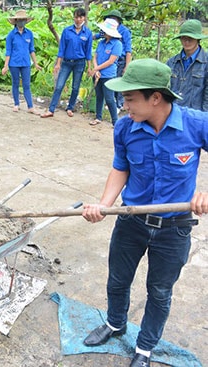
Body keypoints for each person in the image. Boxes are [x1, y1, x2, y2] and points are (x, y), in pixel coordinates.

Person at [81, 59, 208, 367]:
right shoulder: (125, 127)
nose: (124, 105)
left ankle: (146, 348)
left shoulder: (195, 124)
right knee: (118, 280)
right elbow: (120, 168)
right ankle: (115, 324)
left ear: (155, 97)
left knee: (160, 292)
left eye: (129, 98)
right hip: (131, 220)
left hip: (174, 229)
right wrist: (104, 203)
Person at [41, 8, 92, 118]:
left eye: (80, 17)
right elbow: (62, 49)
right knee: (59, 86)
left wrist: (89, 67)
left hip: (80, 63)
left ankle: (70, 107)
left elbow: (88, 52)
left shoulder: (87, 33)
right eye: (76, 17)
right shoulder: (67, 31)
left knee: (75, 87)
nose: (78, 19)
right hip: (66, 62)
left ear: (84, 18)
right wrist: (58, 64)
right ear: (73, 17)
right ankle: (51, 109)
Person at [1, 9, 42, 114]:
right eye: (19, 20)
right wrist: (5, 66)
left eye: (23, 20)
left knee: (26, 85)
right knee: (15, 83)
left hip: (26, 63)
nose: (21, 22)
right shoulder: (11, 35)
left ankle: (30, 106)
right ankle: (16, 104)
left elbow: (31, 50)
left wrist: (36, 63)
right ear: (16, 21)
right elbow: (8, 51)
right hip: (14, 63)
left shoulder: (29, 34)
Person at [94, 10, 132, 110]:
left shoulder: (125, 31)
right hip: (106, 59)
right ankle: (109, 105)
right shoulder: (106, 30)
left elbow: (128, 50)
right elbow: (97, 36)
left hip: (120, 59)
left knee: (118, 82)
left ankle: (119, 104)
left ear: (118, 20)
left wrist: (127, 66)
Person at [166, 19, 208, 111]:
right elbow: (164, 89)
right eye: (183, 37)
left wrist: (204, 118)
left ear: (198, 39)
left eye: (190, 38)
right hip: (173, 113)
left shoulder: (206, 63)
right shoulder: (171, 62)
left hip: (195, 116)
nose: (186, 41)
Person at [88, 18, 122, 126]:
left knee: (109, 98)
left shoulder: (117, 44)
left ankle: (115, 121)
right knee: (99, 96)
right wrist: (96, 69)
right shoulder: (101, 43)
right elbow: (95, 57)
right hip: (98, 74)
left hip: (108, 75)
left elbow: (111, 61)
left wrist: (96, 69)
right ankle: (98, 117)